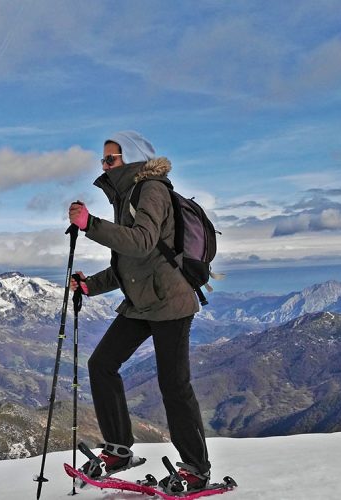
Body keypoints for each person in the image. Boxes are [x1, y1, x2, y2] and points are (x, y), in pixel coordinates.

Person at [68, 131, 211, 492]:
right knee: (101, 364)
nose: (104, 165)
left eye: (110, 159)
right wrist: (90, 286)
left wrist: (92, 226)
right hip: (142, 302)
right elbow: (128, 266)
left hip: (171, 302)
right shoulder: (125, 196)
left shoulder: (152, 190)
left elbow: (143, 241)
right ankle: (117, 449)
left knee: (174, 386)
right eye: (103, 160)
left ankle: (196, 468)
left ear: (130, 159)